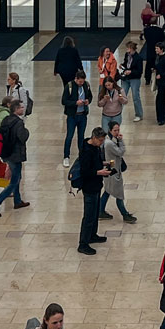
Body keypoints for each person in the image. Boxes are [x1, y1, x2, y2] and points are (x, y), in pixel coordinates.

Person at [0, 99, 30, 216]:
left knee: (17, 177)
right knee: (14, 181)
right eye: (21, 107)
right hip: (15, 155)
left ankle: (17, 201)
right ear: (16, 109)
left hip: (6, 153)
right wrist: (26, 131)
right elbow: (23, 137)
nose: (23, 109)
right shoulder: (18, 123)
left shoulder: (7, 119)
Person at [76, 127, 110, 255]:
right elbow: (84, 171)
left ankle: (92, 235)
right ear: (94, 138)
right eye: (100, 140)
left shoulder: (96, 147)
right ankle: (83, 243)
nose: (101, 143)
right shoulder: (86, 151)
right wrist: (98, 172)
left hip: (96, 185)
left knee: (95, 213)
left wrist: (105, 164)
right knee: (89, 216)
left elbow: (96, 162)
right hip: (89, 187)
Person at [99, 122, 137, 224]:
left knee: (107, 191)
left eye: (118, 130)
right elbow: (121, 152)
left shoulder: (109, 141)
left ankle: (100, 211)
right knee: (119, 195)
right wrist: (121, 141)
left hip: (111, 170)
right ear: (110, 130)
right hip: (113, 172)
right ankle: (125, 215)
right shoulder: (109, 143)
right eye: (115, 130)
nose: (117, 132)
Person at [61, 71, 92, 167]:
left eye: (82, 82)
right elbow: (64, 101)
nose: (81, 83)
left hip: (82, 115)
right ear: (76, 79)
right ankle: (66, 156)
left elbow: (90, 96)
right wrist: (75, 103)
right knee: (69, 136)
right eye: (80, 82)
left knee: (81, 136)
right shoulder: (69, 86)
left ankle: (82, 155)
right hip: (72, 116)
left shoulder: (86, 85)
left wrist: (87, 101)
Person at [118, 41, 143, 122]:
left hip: (134, 79)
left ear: (132, 48)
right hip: (126, 78)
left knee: (135, 96)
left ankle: (139, 114)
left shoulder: (138, 58)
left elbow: (139, 71)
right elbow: (126, 64)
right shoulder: (127, 55)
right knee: (122, 95)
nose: (127, 49)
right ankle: (117, 112)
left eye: (128, 48)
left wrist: (131, 71)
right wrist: (122, 65)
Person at [152, 43, 165, 125]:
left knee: (159, 99)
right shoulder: (158, 57)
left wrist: (161, 75)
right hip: (160, 81)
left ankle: (161, 118)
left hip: (164, 82)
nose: (156, 50)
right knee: (162, 98)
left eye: (157, 48)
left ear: (161, 49)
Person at [141, 20, 165, 87]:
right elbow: (163, 38)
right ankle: (157, 79)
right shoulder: (160, 30)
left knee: (148, 64)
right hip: (158, 50)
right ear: (157, 22)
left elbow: (146, 38)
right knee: (158, 64)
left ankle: (147, 79)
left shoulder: (146, 30)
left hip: (149, 50)